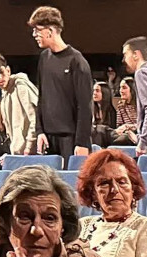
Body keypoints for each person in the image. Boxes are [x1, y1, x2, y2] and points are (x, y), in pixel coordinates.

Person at [76, 149, 147, 257]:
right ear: (93, 193)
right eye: (104, 183)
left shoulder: (146, 227)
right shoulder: (82, 226)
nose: (114, 190)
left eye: (122, 182)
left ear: (133, 189)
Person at [29, 5, 92, 159]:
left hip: (71, 140)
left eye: (37, 30)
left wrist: (82, 142)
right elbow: (41, 98)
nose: (34, 35)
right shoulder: (44, 58)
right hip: (48, 140)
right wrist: (40, 132)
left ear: (50, 31)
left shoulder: (76, 61)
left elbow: (85, 106)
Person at [0, 52, 41, 156]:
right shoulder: (5, 94)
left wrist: (29, 146)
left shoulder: (21, 87)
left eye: (1, 72)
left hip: (30, 152)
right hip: (18, 152)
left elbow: (35, 119)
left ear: (8, 70)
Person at [111, 78, 139, 147]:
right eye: (120, 88)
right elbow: (119, 125)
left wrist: (127, 126)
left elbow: (143, 125)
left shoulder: (140, 105)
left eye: (124, 88)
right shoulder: (121, 106)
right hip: (125, 135)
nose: (121, 91)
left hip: (138, 134)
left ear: (132, 90)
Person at [90, 82, 117, 147]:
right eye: (93, 90)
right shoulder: (91, 109)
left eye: (97, 91)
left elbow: (112, 130)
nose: (94, 93)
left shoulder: (111, 111)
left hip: (107, 140)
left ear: (105, 93)